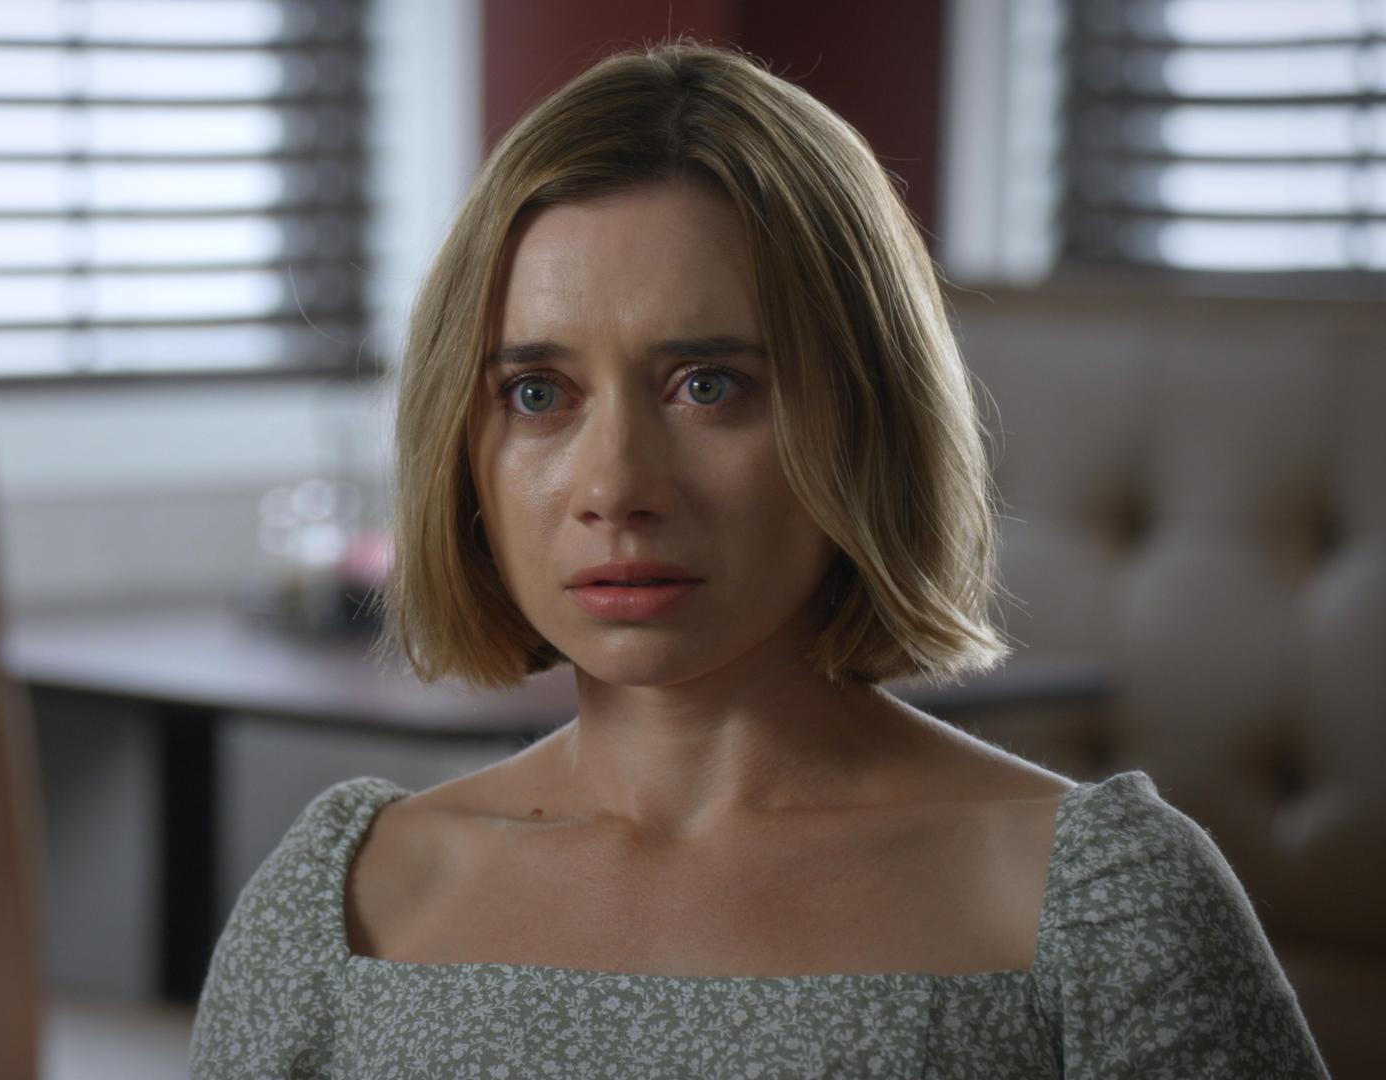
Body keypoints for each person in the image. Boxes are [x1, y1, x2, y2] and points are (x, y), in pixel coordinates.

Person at [188, 41, 1329, 1078]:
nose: (615, 487)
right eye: (538, 394)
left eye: (709, 386)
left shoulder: (1101, 910)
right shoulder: (341, 907)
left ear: (867, 416)